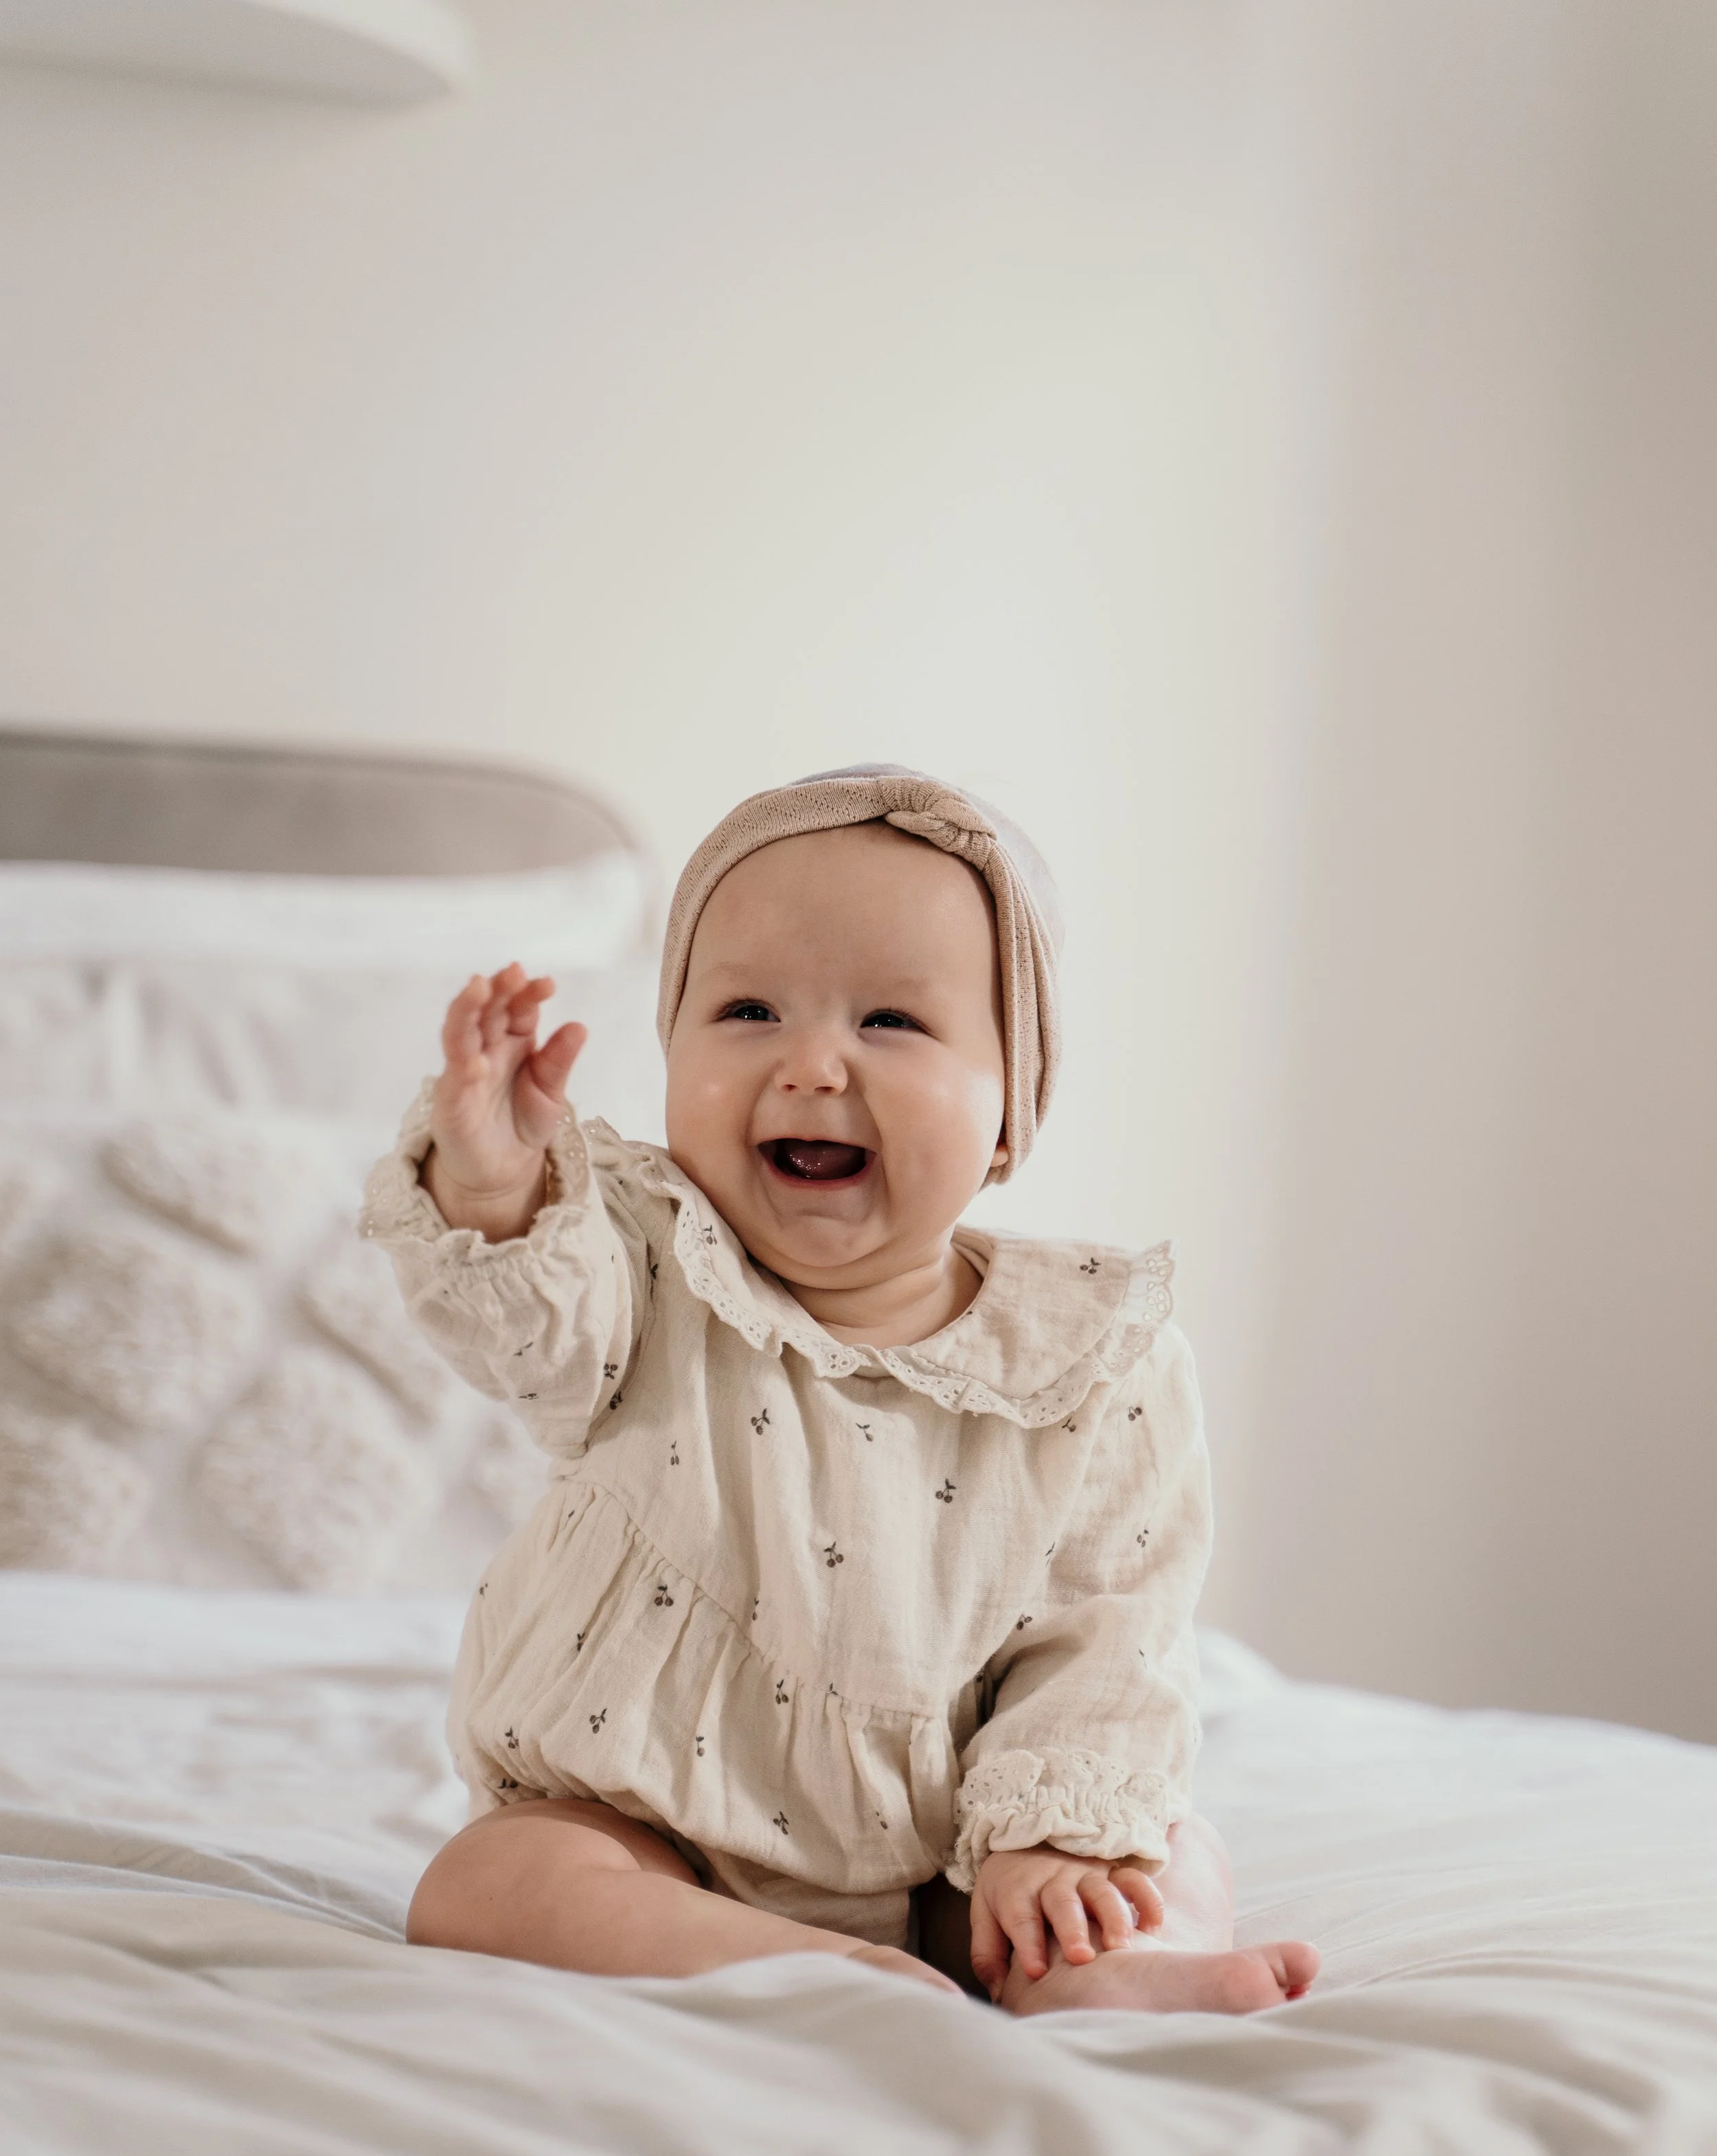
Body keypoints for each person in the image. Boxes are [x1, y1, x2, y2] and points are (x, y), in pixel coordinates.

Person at [363, 766, 1319, 2015]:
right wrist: (493, 1182)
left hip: (954, 1847)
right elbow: (523, 1327)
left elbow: (1107, 1637)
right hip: (649, 1821)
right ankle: (827, 1972)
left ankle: (1112, 1972)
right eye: (749, 1010)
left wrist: (1043, 1846)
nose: (811, 1062)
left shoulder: (1092, 1359)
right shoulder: (647, 1257)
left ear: (1008, 1114)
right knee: (488, 1880)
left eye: (892, 1021)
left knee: (1168, 1848)